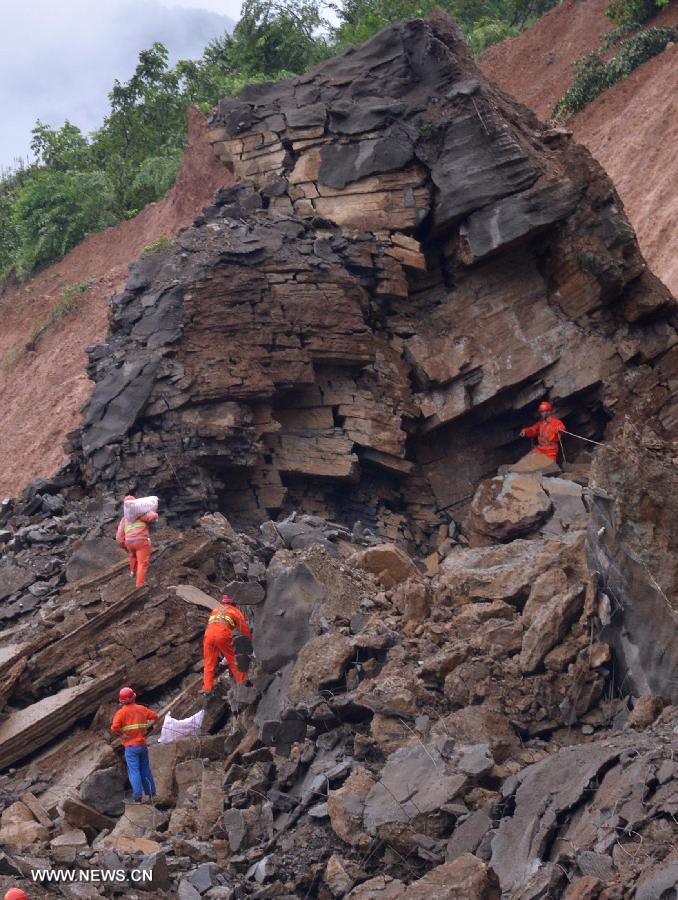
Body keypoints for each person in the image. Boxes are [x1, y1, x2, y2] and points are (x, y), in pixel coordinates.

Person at [111, 687, 158, 803]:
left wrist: (122, 734)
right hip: (142, 744)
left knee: (134, 771)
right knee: (145, 769)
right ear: (133, 697)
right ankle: (151, 794)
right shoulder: (142, 709)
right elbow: (155, 717)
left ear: (121, 701)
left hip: (130, 747)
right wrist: (145, 729)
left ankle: (137, 797)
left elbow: (114, 727)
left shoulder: (121, 712)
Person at [203, 595, 252, 693]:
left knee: (209, 663)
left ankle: (207, 688)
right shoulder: (235, 611)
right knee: (234, 660)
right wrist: (250, 640)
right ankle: (242, 682)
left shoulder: (216, 610)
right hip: (222, 634)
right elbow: (244, 629)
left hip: (208, 635)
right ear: (234, 602)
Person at [116, 495, 158, 588]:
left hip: (129, 542)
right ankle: (140, 584)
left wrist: (123, 545)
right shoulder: (141, 514)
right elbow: (152, 516)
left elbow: (119, 536)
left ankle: (132, 572)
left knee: (132, 555)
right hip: (141, 541)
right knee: (142, 562)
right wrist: (153, 513)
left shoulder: (124, 519)